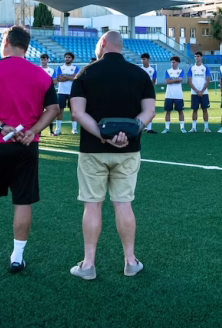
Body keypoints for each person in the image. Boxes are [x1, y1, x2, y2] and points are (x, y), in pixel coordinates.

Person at [0, 26, 59, 273]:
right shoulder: (41, 74)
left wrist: (0, 126)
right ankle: (16, 258)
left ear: (5, 41)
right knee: (22, 202)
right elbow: (53, 109)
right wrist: (33, 130)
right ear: (27, 46)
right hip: (27, 146)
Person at [68, 31, 156, 280]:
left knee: (92, 205)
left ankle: (88, 265)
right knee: (123, 204)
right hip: (128, 150)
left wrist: (103, 135)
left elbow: (77, 112)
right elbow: (149, 111)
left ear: (103, 44)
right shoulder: (139, 74)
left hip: (93, 151)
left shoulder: (85, 73)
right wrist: (128, 132)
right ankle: (130, 261)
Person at [55, 52, 80, 135]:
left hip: (72, 92)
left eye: (69, 57)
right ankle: (58, 129)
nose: (67, 59)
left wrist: (65, 76)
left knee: (73, 111)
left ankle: (74, 129)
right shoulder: (60, 67)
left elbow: (76, 78)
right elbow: (59, 79)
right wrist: (70, 77)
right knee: (59, 110)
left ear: (72, 59)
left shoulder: (76, 67)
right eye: (66, 57)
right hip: (61, 92)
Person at [187, 51, 211, 133]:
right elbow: (189, 81)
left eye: (198, 56)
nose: (197, 58)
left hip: (204, 93)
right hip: (194, 93)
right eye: (195, 56)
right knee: (194, 110)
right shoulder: (191, 68)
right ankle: (193, 128)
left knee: (205, 109)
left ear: (201, 57)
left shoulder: (205, 68)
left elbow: (207, 81)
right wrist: (197, 91)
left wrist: (202, 91)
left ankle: (206, 128)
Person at [162, 57, 185, 133]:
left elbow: (180, 80)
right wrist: (176, 79)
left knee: (180, 111)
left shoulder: (181, 71)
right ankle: (167, 128)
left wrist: (172, 80)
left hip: (178, 95)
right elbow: (167, 81)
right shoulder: (167, 71)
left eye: (174, 62)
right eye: (171, 62)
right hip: (169, 95)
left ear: (178, 63)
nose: (172, 63)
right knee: (168, 111)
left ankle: (182, 128)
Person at [139, 53, 158, 133]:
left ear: (148, 59)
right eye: (142, 59)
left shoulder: (153, 70)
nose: (143, 61)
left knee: (150, 109)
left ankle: (149, 128)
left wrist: (150, 89)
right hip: (140, 92)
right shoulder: (139, 69)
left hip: (149, 93)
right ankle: (141, 127)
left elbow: (153, 81)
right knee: (140, 110)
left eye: (144, 59)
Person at [40, 53, 57, 136]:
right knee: (38, 112)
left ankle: (51, 131)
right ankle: (38, 131)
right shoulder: (37, 69)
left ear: (47, 60)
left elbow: (55, 82)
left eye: (45, 59)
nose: (43, 61)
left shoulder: (52, 70)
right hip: (39, 94)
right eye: (42, 59)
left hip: (48, 93)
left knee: (50, 111)